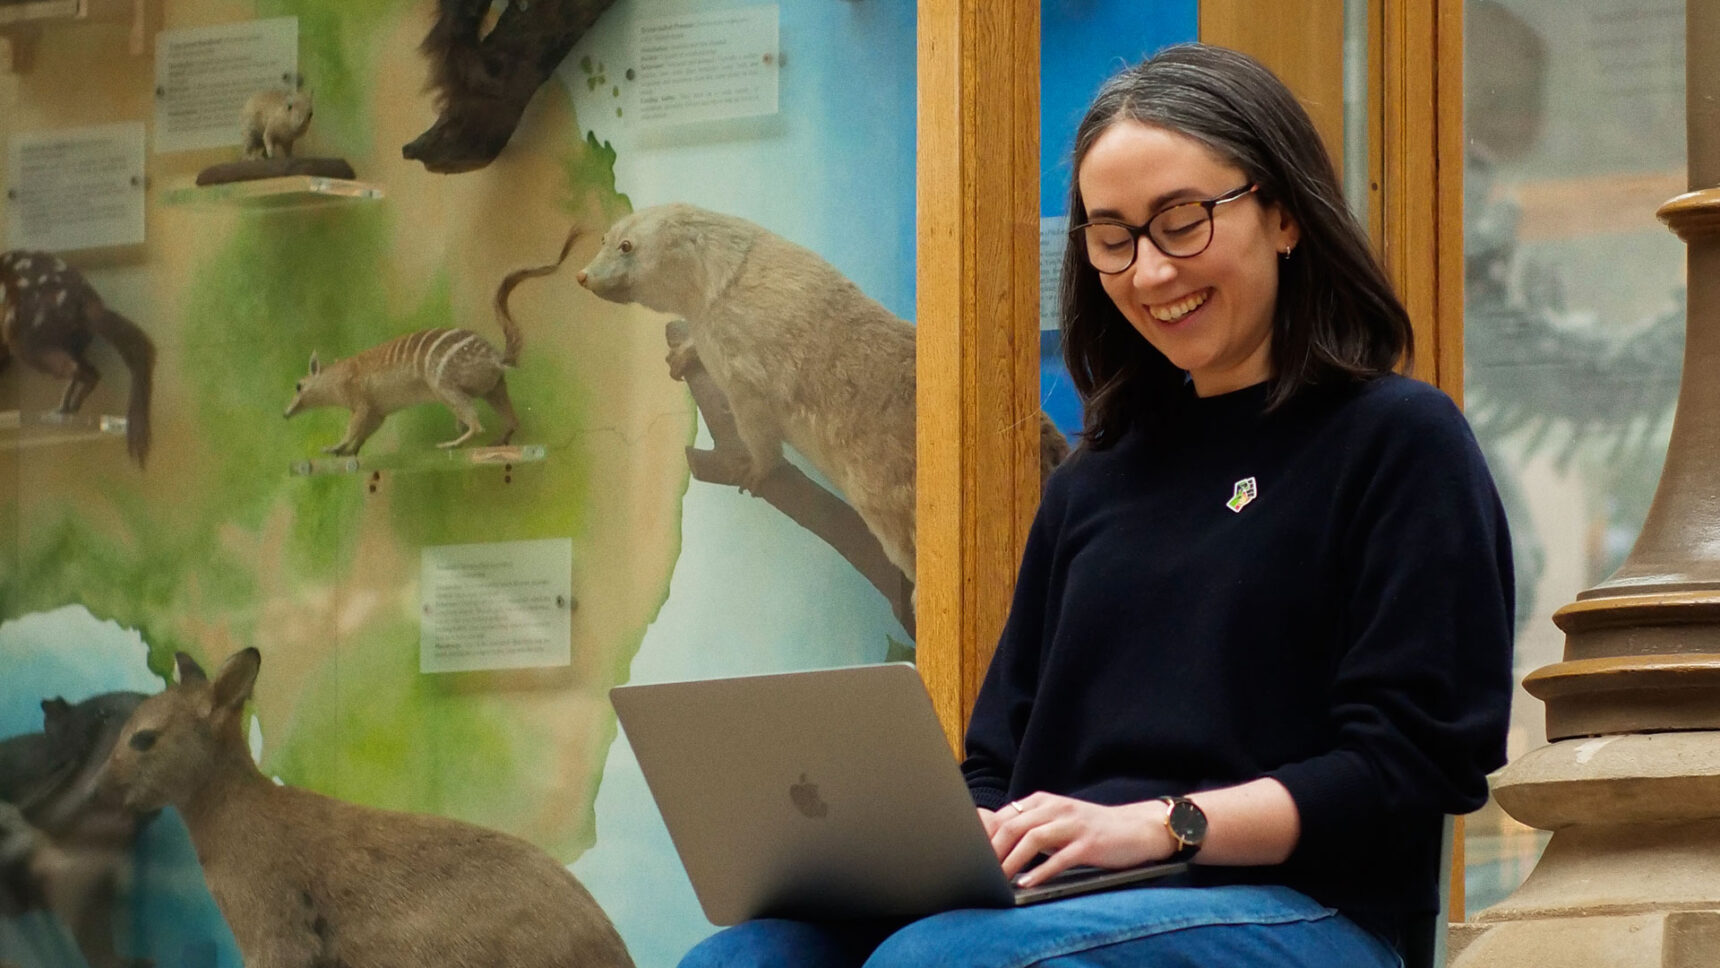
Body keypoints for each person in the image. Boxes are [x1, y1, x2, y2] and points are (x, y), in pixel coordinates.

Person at [680, 42, 1514, 968]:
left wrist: (1166, 827)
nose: (1151, 273)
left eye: (1183, 221)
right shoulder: (1092, 480)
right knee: (746, 958)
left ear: (1282, 215)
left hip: (1308, 908)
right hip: (1061, 899)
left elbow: (1413, 763)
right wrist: (968, 841)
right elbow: (995, 760)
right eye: (1113, 238)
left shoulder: (1398, 440)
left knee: (944, 962)